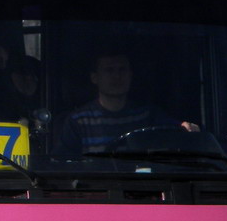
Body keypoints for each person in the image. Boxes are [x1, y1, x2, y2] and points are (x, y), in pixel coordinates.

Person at [58, 50, 199, 153]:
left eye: (122, 70)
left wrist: (186, 127)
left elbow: (176, 130)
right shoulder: (77, 121)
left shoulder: (147, 115)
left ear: (130, 75)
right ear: (95, 78)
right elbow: (64, 164)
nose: (117, 76)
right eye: (109, 70)